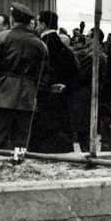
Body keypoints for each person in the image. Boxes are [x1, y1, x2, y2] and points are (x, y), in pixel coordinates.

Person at [0, 3, 49, 155]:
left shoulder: (2, 37)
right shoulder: (40, 44)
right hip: (27, 98)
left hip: (2, 94)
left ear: (12, 19)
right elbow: (43, 77)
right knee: (21, 143)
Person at [31, 10, 78, 153]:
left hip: (43, 97)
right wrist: (65, 87)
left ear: (43, 25)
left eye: (38, 23)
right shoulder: (66, 49)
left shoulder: (39, 46)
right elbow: (75, 74)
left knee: (41, 138)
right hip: (61, 99)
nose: (37, 27)